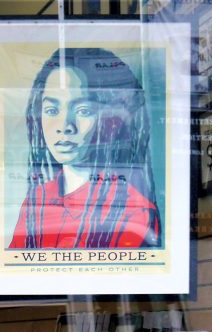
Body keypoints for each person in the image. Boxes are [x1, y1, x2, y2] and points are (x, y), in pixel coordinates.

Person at [10, 47, 160, 250]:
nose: (64, 126)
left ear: (112, 120)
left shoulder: (133, 209)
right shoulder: (36, 201)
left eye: (83, 110)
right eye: (51, 110)